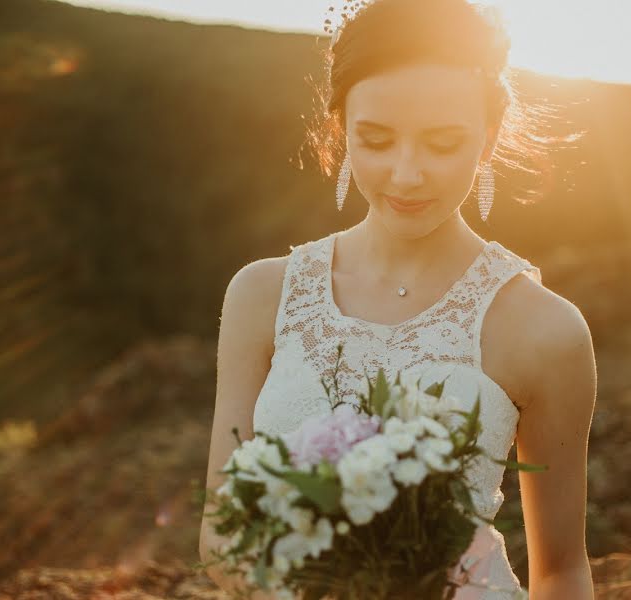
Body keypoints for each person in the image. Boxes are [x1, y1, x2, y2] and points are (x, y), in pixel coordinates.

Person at [199, 0, 597, 598]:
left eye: (442, 143)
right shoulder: (262, 294)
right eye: (377, 140)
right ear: (341, 130)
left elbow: (562, 570)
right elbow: (221, 534)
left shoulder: (546, 331)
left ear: (488, 138)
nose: (407, 175)